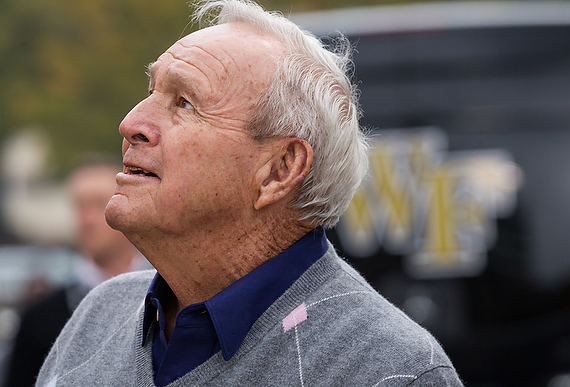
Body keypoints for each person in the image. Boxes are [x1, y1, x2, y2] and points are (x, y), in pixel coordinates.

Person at [36, 1, 463, 385]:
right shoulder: (98, 315)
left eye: (184, 102)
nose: (131, 123)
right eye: (151, 92)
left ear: (280, 170)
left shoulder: (392, 371)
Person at [5, 160, 147, 387]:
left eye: (99, 204)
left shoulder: (168, 298)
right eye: (79, 205)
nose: (87, 219)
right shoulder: (40, 317)